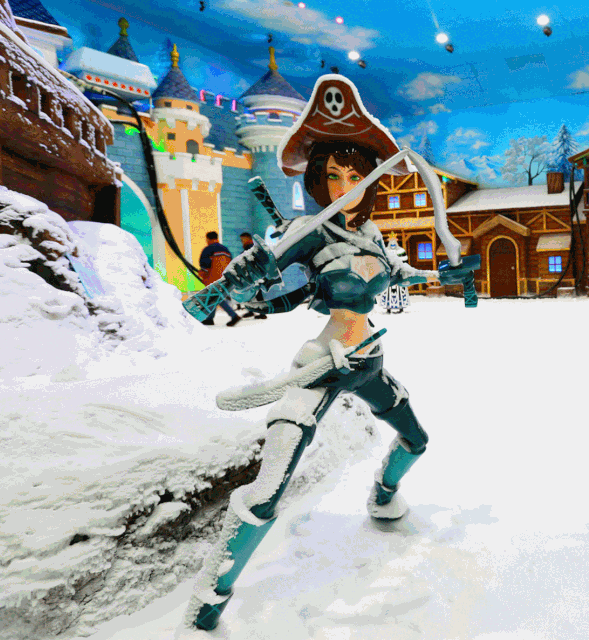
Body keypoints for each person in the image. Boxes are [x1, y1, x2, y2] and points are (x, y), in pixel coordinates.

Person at [183, 75, 477, 632]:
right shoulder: (309, 231)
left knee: (416, 439)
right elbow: (266, 274)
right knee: (269, 487)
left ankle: (384, 495)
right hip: (322, 365)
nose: (346, 186)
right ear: (319, 181)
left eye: (355, 177)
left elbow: (402, 274)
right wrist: (246, 276)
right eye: (334, 177)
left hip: (369, 361)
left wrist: (449, 274)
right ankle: (210, 596)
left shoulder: (373, 238)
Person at [198, 232, 241, 327]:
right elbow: (231, 264)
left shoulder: (208, 249)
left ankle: (234, 316)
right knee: (213, 297)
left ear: (208, 239)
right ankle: (209, 319)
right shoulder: (226, 250)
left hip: (212, 278)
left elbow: (205, 264)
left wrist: (202, 274)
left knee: (216, 298)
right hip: (225, 278)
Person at [237, 232, 267, 319]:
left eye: (243, 239)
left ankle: (261, 313)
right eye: (241, 240)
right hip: (253, 273)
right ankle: (253, 311)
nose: (242, 241)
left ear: (249, 239)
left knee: (256, 293)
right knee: (253, 293)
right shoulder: (249, 247)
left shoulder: (251, 247)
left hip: (254, 274)